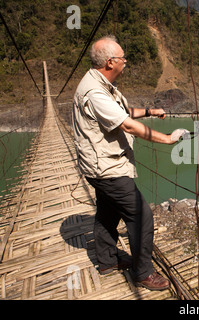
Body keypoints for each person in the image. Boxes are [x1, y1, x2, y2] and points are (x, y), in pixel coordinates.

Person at [72, 35, 187, 291]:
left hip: (97, 165)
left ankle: (108, 261)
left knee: (107, 213)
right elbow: (126, 124)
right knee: (141, 215)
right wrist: (168, 139)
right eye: (123, 58)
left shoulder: (100, 83)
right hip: (107, 168)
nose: (126, 62)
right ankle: (142, 272)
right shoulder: (94, 93)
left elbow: (122, 112)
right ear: (111, 62)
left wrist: (149, 111)